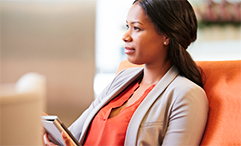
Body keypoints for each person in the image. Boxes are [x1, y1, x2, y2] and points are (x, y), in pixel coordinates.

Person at [44, 0, 209, 145]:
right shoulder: (123, 79)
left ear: (166, 35)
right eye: (127, 26)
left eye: (136, 28)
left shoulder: (187, 95)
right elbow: (73, 135)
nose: (125, 36)